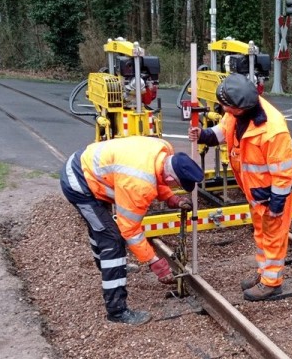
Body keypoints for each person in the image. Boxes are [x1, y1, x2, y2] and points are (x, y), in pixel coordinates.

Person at [60, 135, 204, 325]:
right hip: (79, 183)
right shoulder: (138, 184)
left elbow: (157, 176)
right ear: (171, 176)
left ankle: (108, 267)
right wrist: (155, 263)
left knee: (101, 228)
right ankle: (117, 311)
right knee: (113, 240)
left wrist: (172, 198)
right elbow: (130, 231)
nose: (175, 187)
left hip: (91, 168)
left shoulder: (163, 149)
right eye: (176, 184)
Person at [188, 73, 292, 301]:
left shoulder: (273, 130)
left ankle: (272, 282)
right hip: (256, 189)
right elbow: (224, 131)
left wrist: (277, 204)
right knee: (260, 232)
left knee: (273, 235)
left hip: (273, 192)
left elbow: (283, 173)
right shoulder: (238, 112)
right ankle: (263, 273)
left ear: (238, 107)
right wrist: (204, 135)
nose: (222, 109)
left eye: (225, 106)